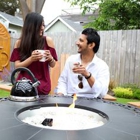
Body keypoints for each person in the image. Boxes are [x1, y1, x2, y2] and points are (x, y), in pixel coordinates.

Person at [10, 12, 58, 95]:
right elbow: (17, 66)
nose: (42, 28)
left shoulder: (47, 41)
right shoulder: (19, 43)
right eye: (40, 25)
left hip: (43, 86)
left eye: (43, 25)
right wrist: (31, 59)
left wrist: (50, 58)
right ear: (32, 26)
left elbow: (53, 64)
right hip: (23, 86)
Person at [56, 28, 110, 98]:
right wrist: (61, 94)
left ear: (91, 45)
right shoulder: (71, 60)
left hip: (90, 103)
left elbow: (102, 93)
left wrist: (87, 75)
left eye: (81, 41)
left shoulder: (102, 66)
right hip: (69, 100)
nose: (77, 43)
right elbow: (62, 81)